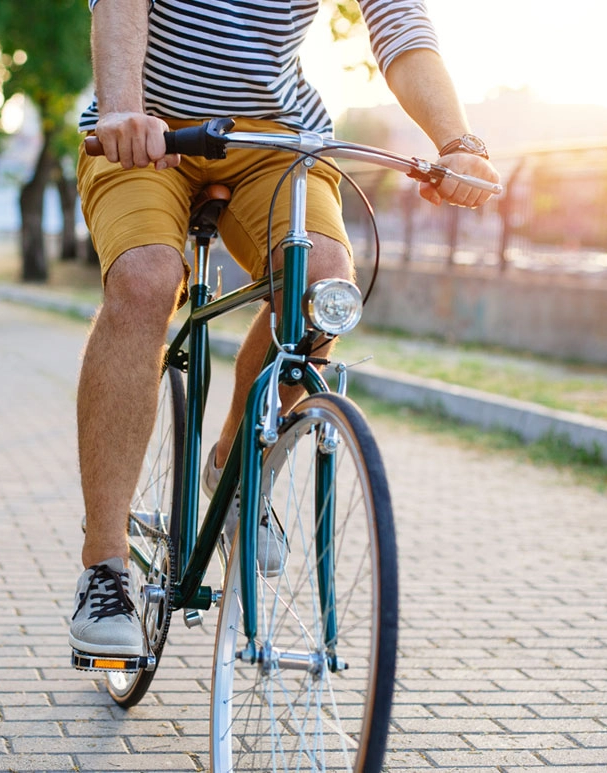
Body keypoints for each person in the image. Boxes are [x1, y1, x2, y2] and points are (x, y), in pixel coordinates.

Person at [69, 0, 501, 663]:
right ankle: (104, 565)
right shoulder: (133, 115)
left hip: (270, 137)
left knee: (324, 288)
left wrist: (457, 142)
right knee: (145, 279)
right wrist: (124, 107)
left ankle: (235, 469)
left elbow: (399, 23)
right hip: (145, 127)